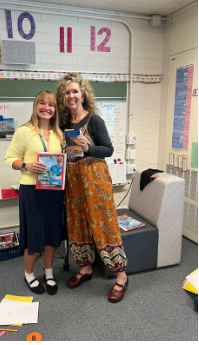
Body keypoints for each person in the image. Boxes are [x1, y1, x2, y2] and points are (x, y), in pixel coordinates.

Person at [56, 72, 128, 303]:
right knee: (78, 224)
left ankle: (121, 275)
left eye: (75, 91)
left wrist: (88, 149)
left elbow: (108, 149)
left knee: (105, 224)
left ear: (83, 94)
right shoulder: (65, 123)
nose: (71, 95)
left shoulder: (94, 120)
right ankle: (85, 268)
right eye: (67, 92)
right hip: (74, 182)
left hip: (95, 181)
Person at [4, 91, 64, 296]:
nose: (47, 107)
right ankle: (29, 274)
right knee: (35, 234)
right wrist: (27, 165)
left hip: (54, 191)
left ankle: (49, 273)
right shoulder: (24, 131)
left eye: (51, 104)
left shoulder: (60, 133)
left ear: (55, 109)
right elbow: (9, 158)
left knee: (51, 234)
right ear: (35, 106)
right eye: (42, 103)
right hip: (32, 190)